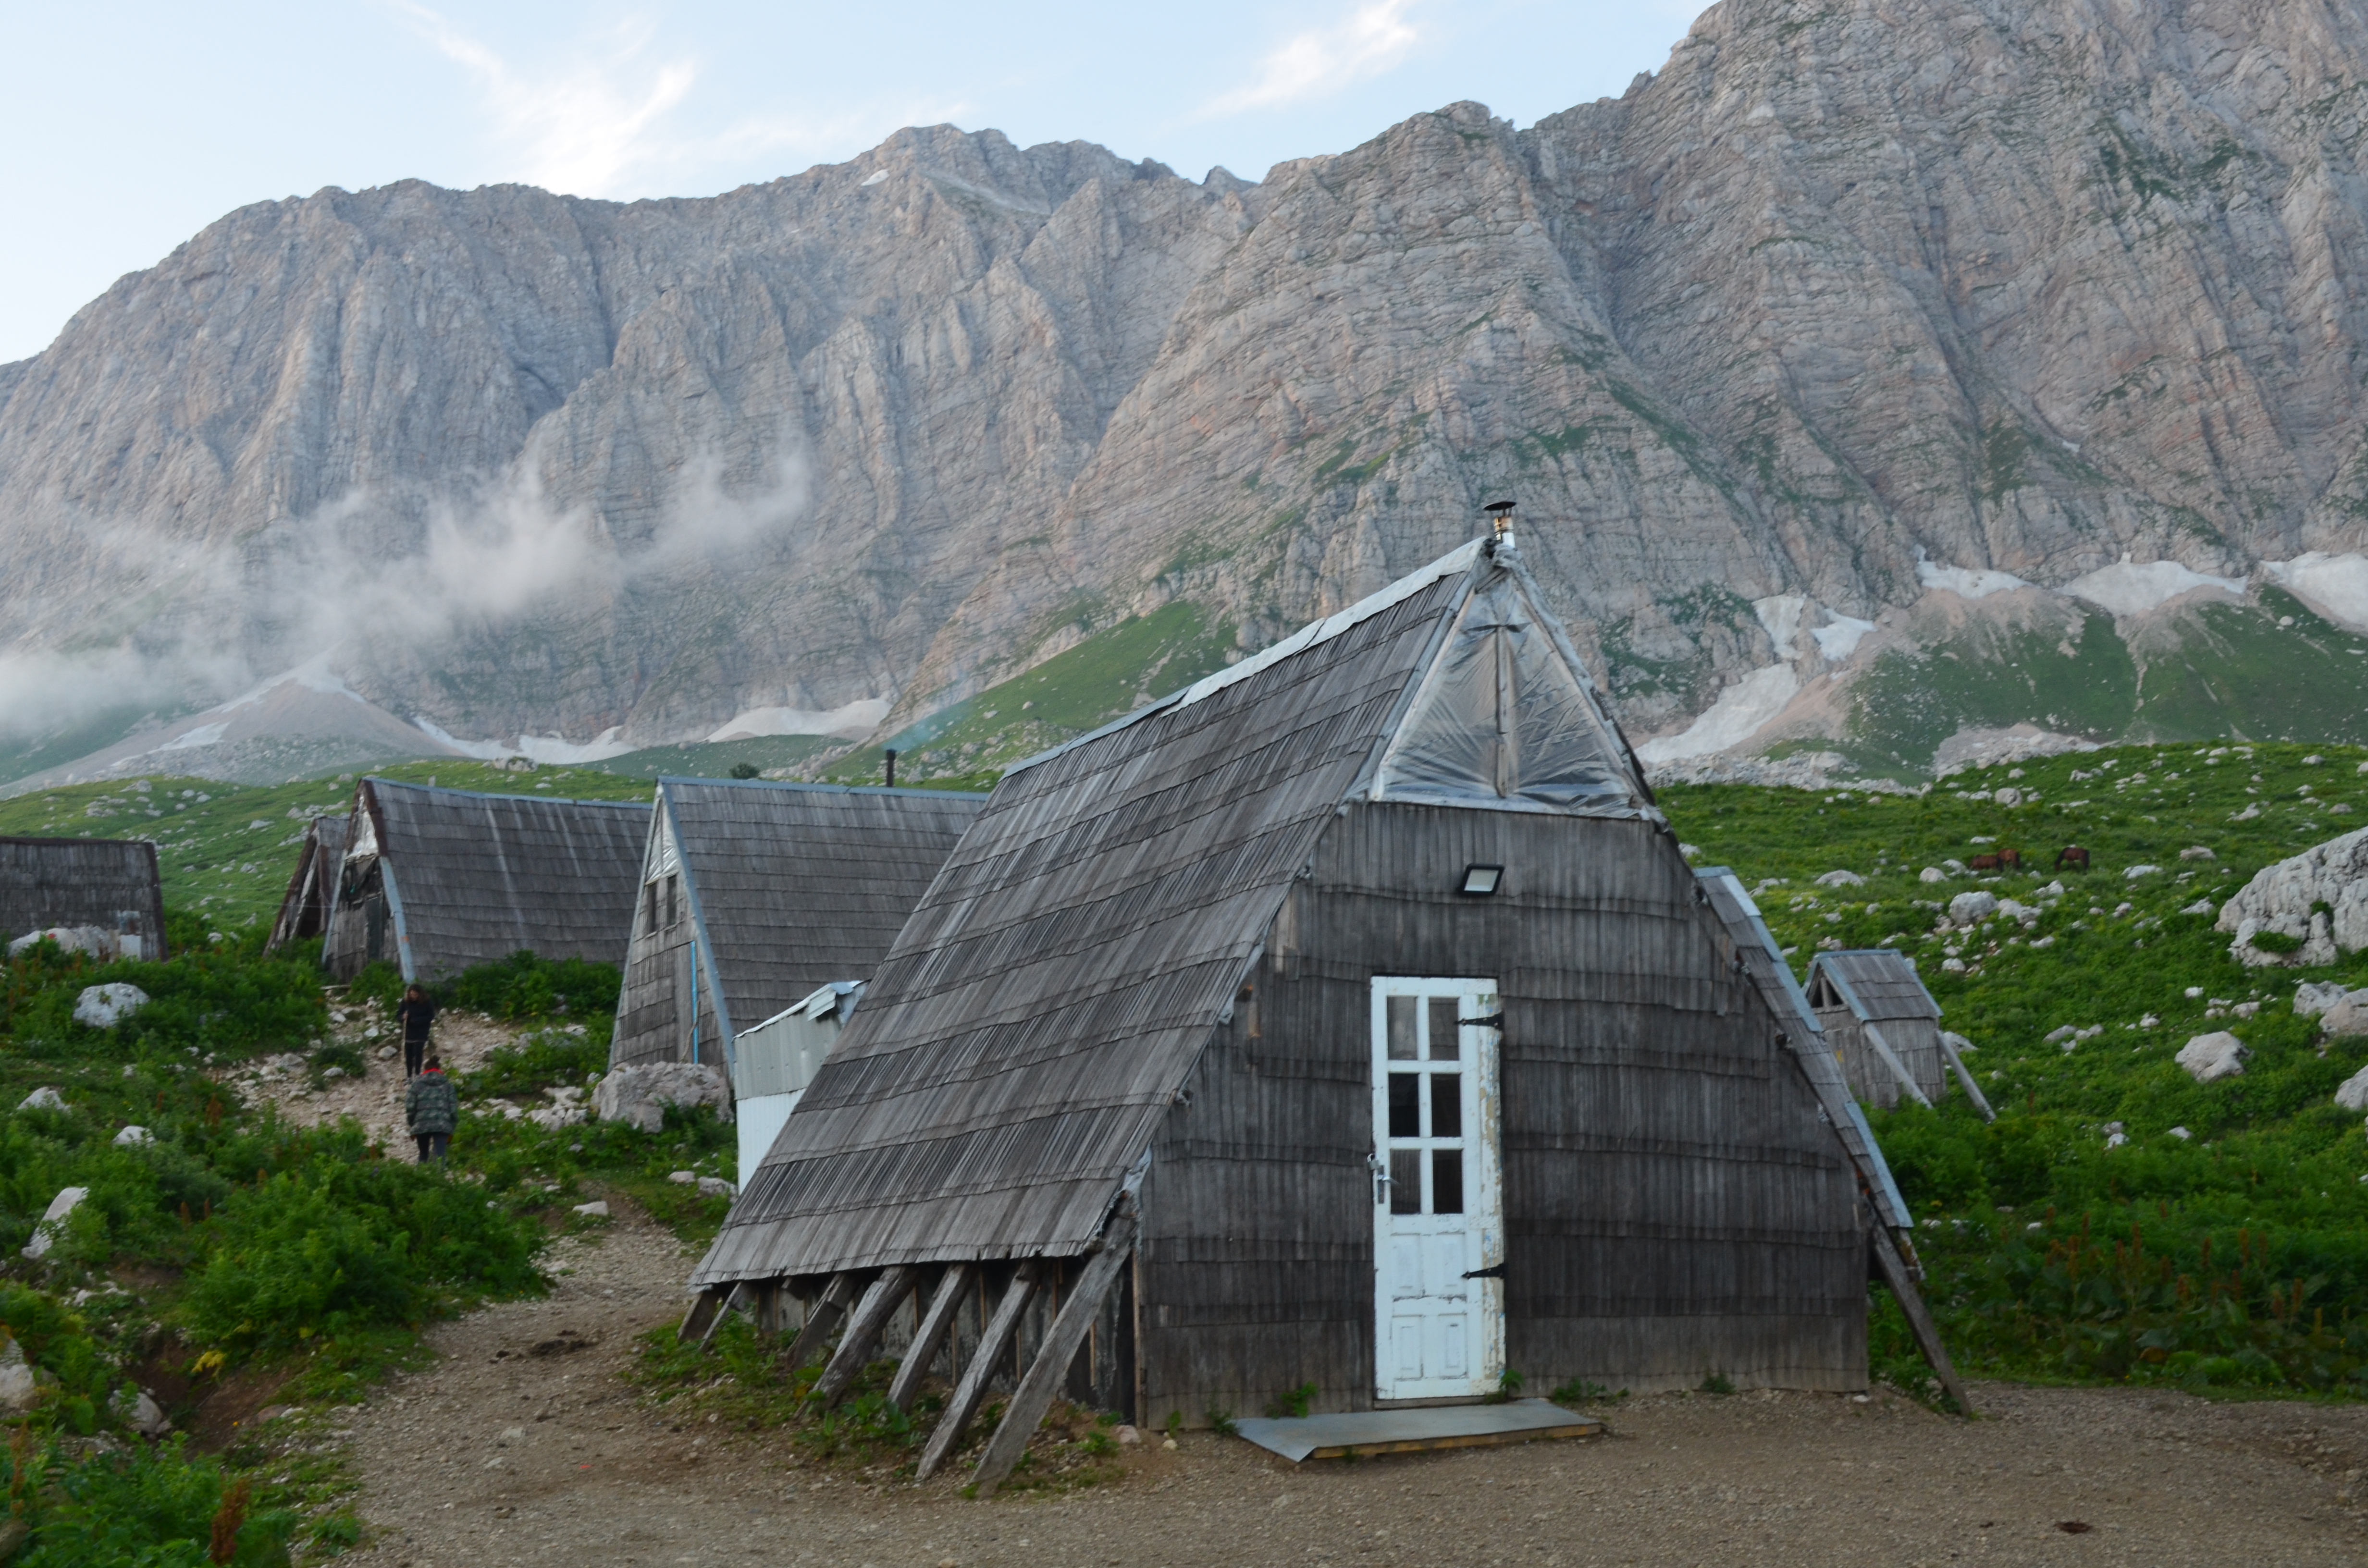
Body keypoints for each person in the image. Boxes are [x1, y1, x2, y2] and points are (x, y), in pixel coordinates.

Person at [405, 1055, 457, 1164]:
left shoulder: (416, 1086)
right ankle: (439, 1180)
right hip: (443, 1125)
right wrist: (452, 1126)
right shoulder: (448, 1086)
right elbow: (453, 1110)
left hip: (421, 1124)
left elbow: (410, 1107)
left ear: (425, 1070)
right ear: (440, 1070)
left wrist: (412, 1123)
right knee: (440, 1157)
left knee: (423, 1155)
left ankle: (421, 1179)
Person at [395, 984, 438, 1078]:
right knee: (409, 1056)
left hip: (421, 1033)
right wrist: (403, 1017)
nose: (414, 997)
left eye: (416, 995)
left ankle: (417, 1074)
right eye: (412, 995)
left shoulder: (427, 1003)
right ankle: (409, 1076)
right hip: (408, 1033)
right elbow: (398, 1015)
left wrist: (417, 1020)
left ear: (420, 994)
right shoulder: (405, 1002)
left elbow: (431, 1016)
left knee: (418, 1054)